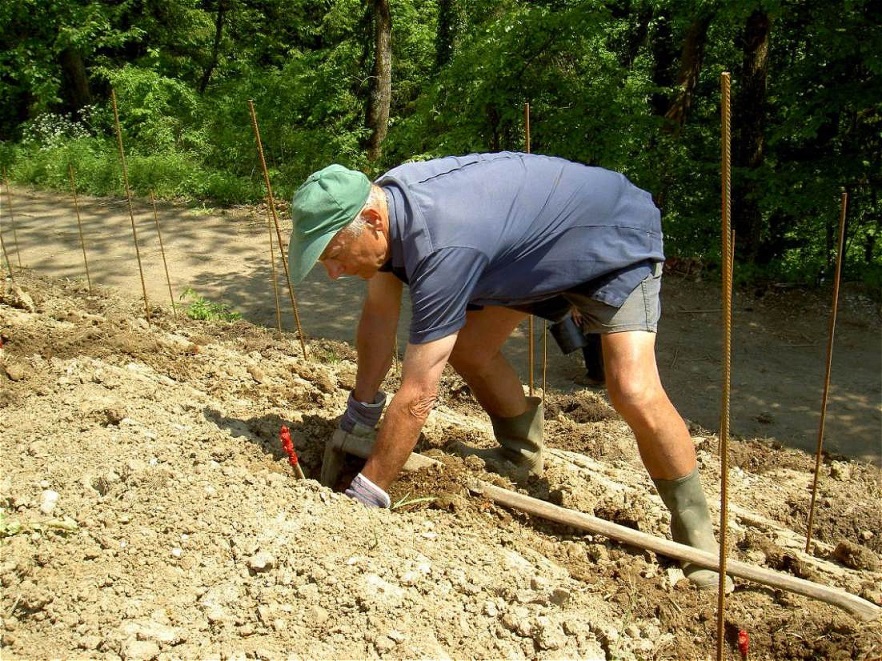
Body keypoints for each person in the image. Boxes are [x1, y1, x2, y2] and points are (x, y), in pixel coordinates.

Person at [288, 152, 731, 591]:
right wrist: (359, 413)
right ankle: (521, 453)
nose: (332, 273)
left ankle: (698, 540)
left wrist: (367, 495)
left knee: (632, 389)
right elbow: (379, 318)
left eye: (334, 254)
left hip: (613, 239)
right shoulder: (384, 208)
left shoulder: (441, 243)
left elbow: (420, 392)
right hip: (529, 254)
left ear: (371, 219)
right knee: (471, 349)